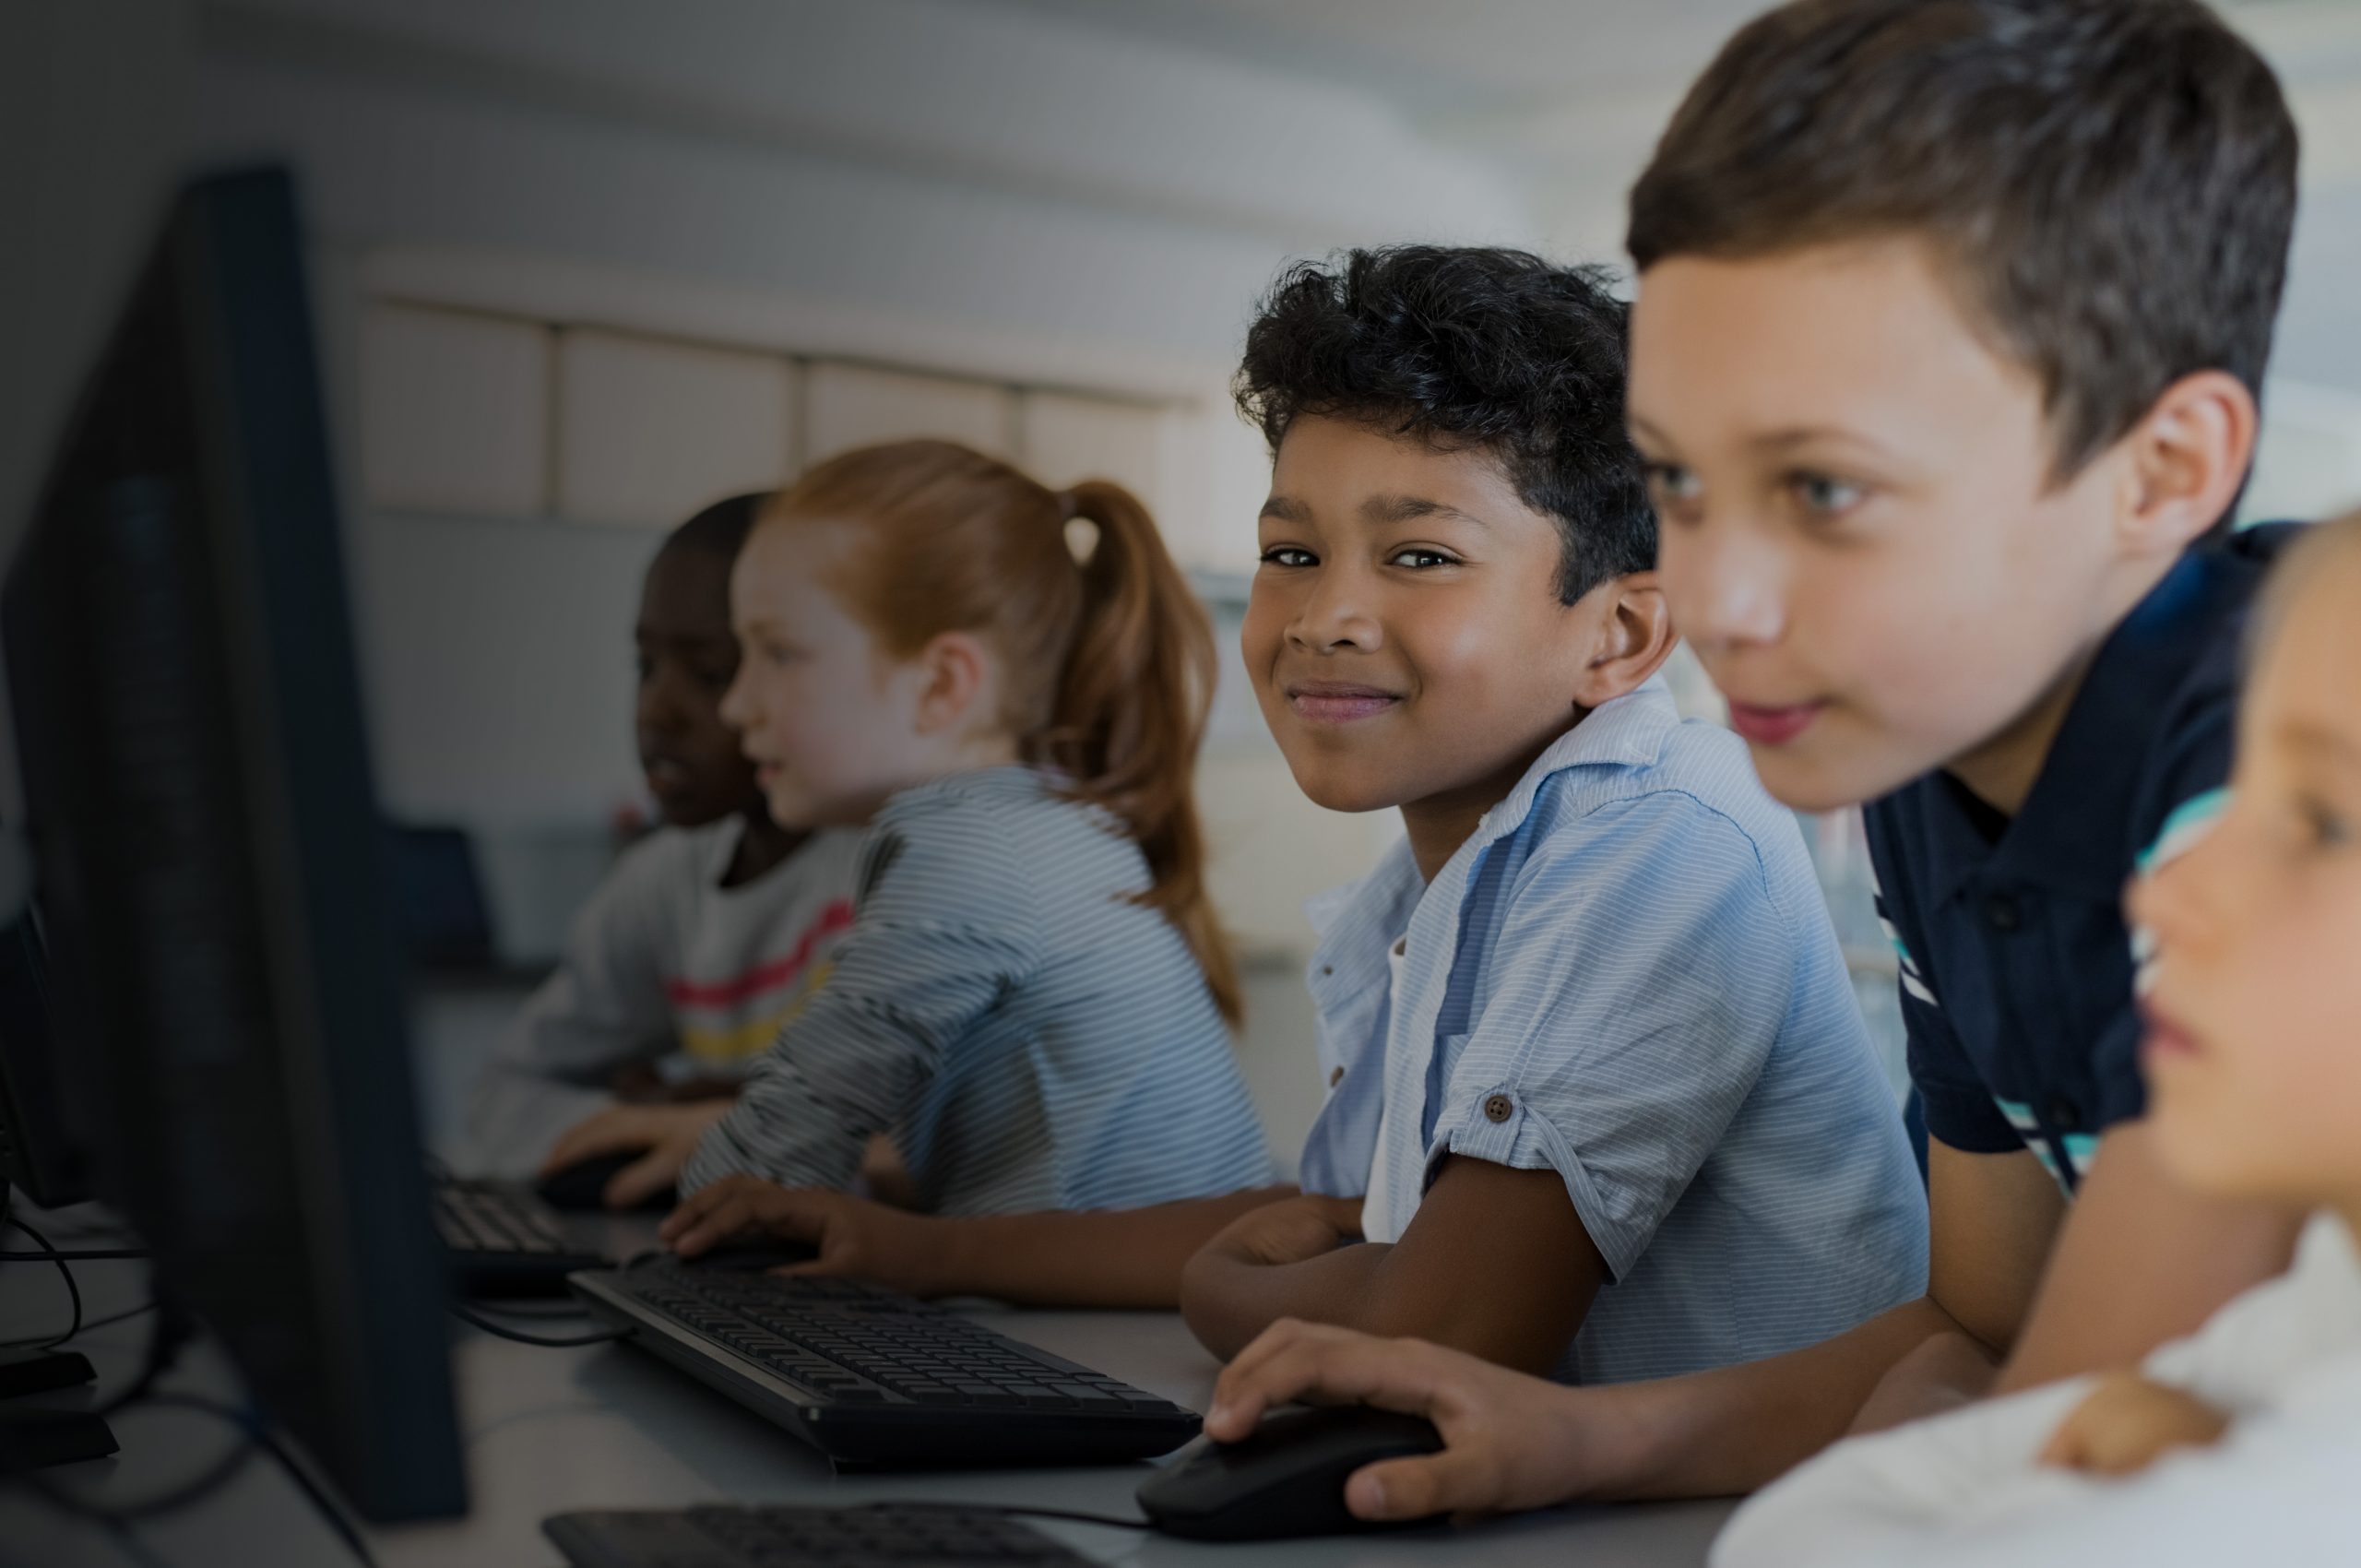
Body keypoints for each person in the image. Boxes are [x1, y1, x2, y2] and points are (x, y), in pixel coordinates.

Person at [1199, 0, 2309, 1519]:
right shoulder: (1933, 759)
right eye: (1682, 483)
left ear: (2162, 470)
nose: (1717, 601)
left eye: (1826, 487)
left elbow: (2092, 1445)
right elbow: (1983, 1333)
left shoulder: (2281, 758)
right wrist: (1570, 1443)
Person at [661, 249, 1926, 1386]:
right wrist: (924, 1252)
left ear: (1623, 633)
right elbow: (1330, 1223)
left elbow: (1441, 1324)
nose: (1324, 616)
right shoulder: (1427, 886)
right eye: (1293, 552)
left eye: (1420, 557)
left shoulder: (1661, 834)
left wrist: (1225, 1292)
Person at [1712, 514, 2361, 1568]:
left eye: (2319, 824)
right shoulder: (2325, 1303)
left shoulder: (2322, 1466)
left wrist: (2016, 1428)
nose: (2162, 889)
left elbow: (1795, 1542)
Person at [542, 441, 1275, 1216]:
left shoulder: (974, 854)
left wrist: (706, 1170)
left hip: (1112, 1330)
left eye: (779, 655)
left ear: (941, 684)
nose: (737, 706)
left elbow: (776, 1158)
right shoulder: (1033, 821)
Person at [458, 492, 860, 1187]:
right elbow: (498, 1104)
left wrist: (726, 1115)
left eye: (709, 674)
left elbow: (915, 1151)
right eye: (646, 667)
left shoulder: (883, 871)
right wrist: (641, 1118)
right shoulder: (665, 881)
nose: (656, 711)